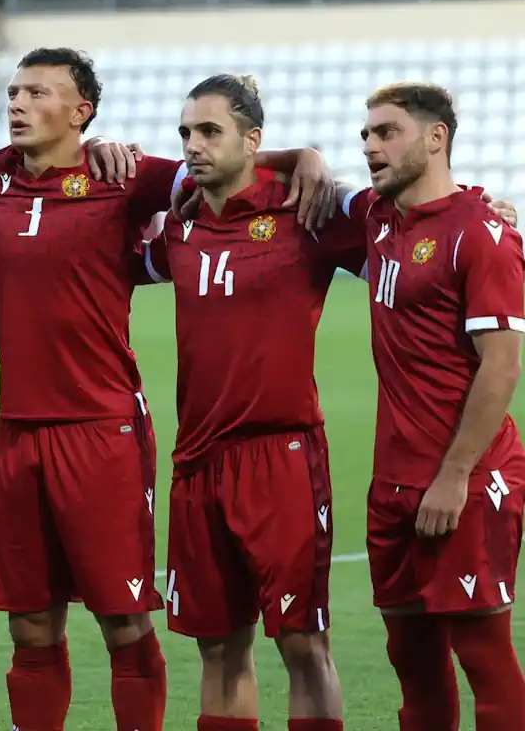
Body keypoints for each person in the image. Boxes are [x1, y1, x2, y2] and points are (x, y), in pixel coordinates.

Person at [0, 47, 332, 731]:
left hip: (102, 433)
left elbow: (225, 165)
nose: (15, 102)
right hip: (18, 434)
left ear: (81, 112)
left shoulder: (125, 179)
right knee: (31, 629)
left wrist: (299, 156)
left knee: (124, 623)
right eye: (13, 90)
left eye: (37, 92)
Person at [139, 75, 354, 731]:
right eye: (185, 133)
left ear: (253, 141)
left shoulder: (306, 212)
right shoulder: (181, 224)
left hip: (281, 457)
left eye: (209, 132)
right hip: (197, 464)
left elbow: (405, 234)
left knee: (302, 645)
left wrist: (487, 210)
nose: (192, 146)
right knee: (218, 646)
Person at [336, 82, 525, 729]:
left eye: (386, 132)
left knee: (484, 656)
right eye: (365, 135)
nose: (369, 146)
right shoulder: (377, 218)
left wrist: (455, 474)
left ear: (435, 137)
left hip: (464, 481)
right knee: (410, 658)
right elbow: (302, 174)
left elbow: (501, 366)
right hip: (393, 481)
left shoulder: (482, 233)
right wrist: (296, 161)